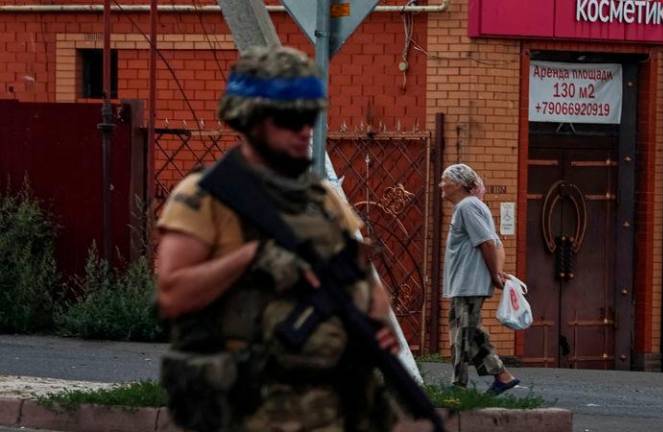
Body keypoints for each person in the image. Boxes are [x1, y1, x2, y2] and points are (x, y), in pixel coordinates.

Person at [154, 45, 400, 432]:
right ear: (251, 119)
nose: (305, 130)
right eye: (290, 118)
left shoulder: (320, 200)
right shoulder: (205, 195)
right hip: (249, 409)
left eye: (310, 117)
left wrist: (376, 323)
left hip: (329, 410)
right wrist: (253, 257)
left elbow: (365, 277)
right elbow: (173, 294)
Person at [440, 163, 520, 395]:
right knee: (468, 331)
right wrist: (497, 271)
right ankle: (502, 376)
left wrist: (495, 273)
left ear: (459, 184)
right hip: (465, 283)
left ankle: (459, 385)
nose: (441, 185)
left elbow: (487, 242)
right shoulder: (470, 206)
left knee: (463, 334)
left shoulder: (468, 206)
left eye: (445, 180)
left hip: (469, 283)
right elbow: (495, 242)